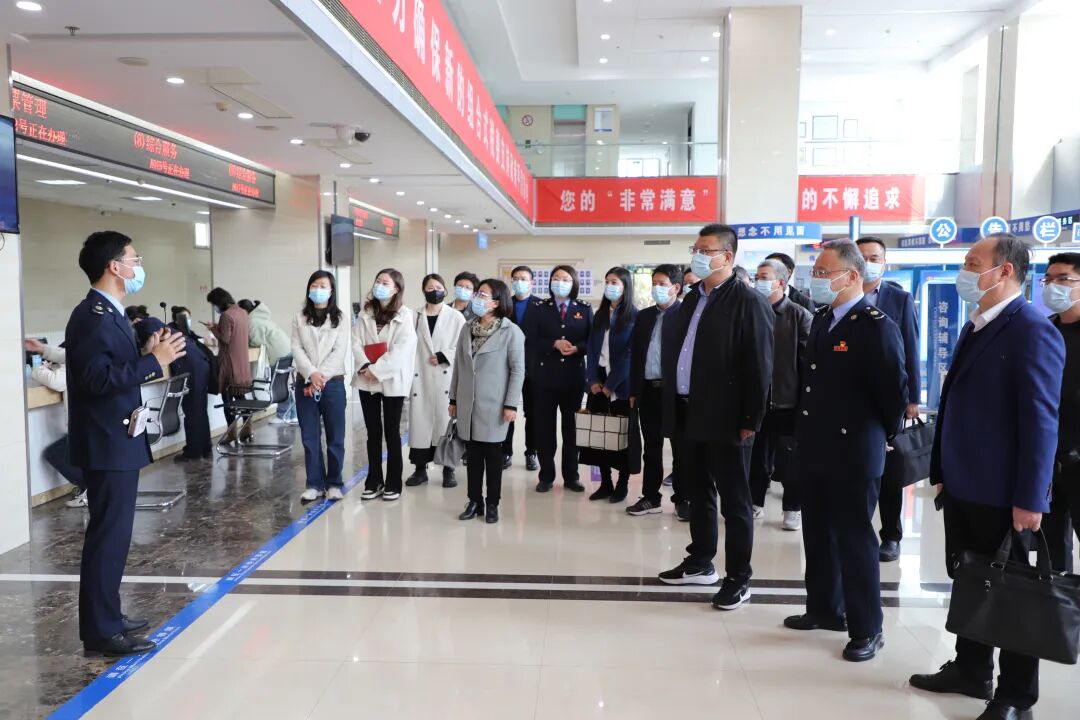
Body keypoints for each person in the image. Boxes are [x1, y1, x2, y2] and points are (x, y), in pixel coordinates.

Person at [909, 234, 1064, 720]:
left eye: (973, 263)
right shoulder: (979, 323)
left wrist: (1031, 497)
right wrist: (940, 470)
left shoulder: (1031, 329)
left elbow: (1041, 421)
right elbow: (955, 402)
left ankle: (1016, 697)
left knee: (1014, 593)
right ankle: (971, 668)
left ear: (1005, 271)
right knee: (972, 580)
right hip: (964, 483)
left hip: (1003, 491)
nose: (965, 271)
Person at [782, 240, 907, 664]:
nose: (816, 280)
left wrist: (881, 434)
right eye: (815, 272)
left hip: (854, 450)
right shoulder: (822, 318)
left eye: (823, 273)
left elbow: (894, 392)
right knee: (817, 534)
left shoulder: (874, 325)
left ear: (852, 276)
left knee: (855, 541)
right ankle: (823, 609)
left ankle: (867, 628)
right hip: (816, 446)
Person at [66, 230, 186, 657]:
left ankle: (110, 616)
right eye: (135, 260)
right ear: (114, 266)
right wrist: (154, 361)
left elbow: (115, 368)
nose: (139, 267)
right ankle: (101, 632)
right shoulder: (91, 316)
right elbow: (96, 380)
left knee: (115, 538)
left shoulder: (111, 313)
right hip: (105, 442)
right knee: (107, 537)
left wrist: (146, 354)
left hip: (119, 439)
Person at [658, 224, 774, 615]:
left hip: (728, 417)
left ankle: (739, 578)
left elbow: (760, 366)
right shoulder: (692, 298)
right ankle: (700, 560)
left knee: (735, 501)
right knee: (697, 490)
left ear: (727, 256)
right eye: (695, 248)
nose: (698, 255)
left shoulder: (748, 301)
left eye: (705, 250)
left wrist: (751, 418)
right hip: (688, 412)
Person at [856, 237, 922, 562]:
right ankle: (858, 531)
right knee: (858, 468)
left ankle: (891, 535)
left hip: (892, 396)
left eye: (874, 257)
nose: (868, 263)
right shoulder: (842, 296)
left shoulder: (899, 298)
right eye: (862, 257)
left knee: (890, 471)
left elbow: (911, 345)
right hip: (854, 397)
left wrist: (913, 397)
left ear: (885, 262)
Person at [449, 279, 526, 523]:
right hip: (467, 402)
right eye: (477, 294)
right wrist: (453, 398)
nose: (476, 298)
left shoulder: (511, 331)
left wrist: (511, 404)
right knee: (472, 457)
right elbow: (459, 366)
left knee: (493, 458)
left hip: (495, 404)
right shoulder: (467, 328)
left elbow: (518, 370)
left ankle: (493, 503)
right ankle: (474, 501)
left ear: (496, 302)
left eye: (482, 295)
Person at [750, 259, 812, 530]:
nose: (758, 282)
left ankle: (792, 508)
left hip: (788, 401)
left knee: (790, 460)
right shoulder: (751, 311)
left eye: (764, 277)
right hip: (757, 401)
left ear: (781, 282)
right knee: (757, 457)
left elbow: (808, 365)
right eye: (756, 277)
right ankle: (754, 502)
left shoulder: (799, 316)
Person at [627, 264, 686, 519]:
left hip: (675, 393)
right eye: (654, 283)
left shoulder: (685, 314)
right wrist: (634, 390)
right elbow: (636, 356)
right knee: (651, 448)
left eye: (662, 284)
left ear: (676, 287)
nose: (656, 288)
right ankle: (651, 497)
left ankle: (683, 498)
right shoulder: (644, 316)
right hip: (648, 391)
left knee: (680, 448)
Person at [354, 269, 418, 502]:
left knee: (392, 432)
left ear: (396, 289)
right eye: (378, 281)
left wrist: (377, 370)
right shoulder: (365, 313)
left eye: (385, 282)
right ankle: (374, 480)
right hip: (365, 378)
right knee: (372, 432)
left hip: (392, 379)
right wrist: (365, 366)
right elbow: (355, 341)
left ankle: (393, 482)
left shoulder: (405, 315)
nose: (379, 285)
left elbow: (402, 349)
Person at [529, 265, 593, 493]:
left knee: (572, 430)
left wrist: (578, 348)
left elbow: (592, 341)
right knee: (545, 429)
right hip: (544, 378)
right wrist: (553, 343)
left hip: (573, 378)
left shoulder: (584, 308)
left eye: (565, 279)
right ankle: (546, 475)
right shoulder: (539, 308)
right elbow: (530, 339)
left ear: (573, 283)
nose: (560, 282)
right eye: (556, 278)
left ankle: (571, 476)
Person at [290, 271, 350, 503]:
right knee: (309, 436)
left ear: (331, 290)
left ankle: (334, 483)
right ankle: (314, 484)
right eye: (314, 285)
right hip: (305, 381)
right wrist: (311, 373)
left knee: (336, 436)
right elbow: (296, 348)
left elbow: (339, 351)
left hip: (332, 383)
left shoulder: (341, 319)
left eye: (323, 286)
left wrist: (320, 376)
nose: (318, 289)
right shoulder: (299, 317)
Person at [582, 267, 639, 503]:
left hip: (622, 385)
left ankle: (621, 484)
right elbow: (591, 348)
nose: (609, 286)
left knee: (621, 436)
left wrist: (611, 384)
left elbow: (630, 354)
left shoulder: (634, 315)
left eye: (615, 282)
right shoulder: (600, 314)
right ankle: (604, 483)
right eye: (607, 281)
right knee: (599, 436)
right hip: (598, 382)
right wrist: (593, 380)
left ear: (626, 286)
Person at [406, 273, 466, 489]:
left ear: (445, 290)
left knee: (445, 425)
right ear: (423, 291)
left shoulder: (456, 317)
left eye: (438, 287)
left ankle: (449, 470)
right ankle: (420, 470)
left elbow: (463, 345)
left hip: (445, 377)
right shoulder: (413, 316)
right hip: (420, 377)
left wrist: (444, 355)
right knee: (420, 425)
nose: (435, 291)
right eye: (430, 288)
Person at [1042, 252, 1080, 572]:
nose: (1054, 285)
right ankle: (1056, 599)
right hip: (1048, 457)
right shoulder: (1045, 331)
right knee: (1050, 543)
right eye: (1049, 279)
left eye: (1063, 279)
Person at [24, 338, 87, 507]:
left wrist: (39, 368)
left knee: (54, 453)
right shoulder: (87, 357)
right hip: (88, 426)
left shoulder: (72, 365)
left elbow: (56, 382)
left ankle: (89, 488)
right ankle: (90, 487)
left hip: (84, 427)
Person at [503, 265, 543, 471]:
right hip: (507, 367)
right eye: (516, 278)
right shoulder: (505, 305)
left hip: (534, 367)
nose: (519, 282)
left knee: (533, 413)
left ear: (532, 282)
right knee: (507, 410)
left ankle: (531, 452)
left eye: (524, 278)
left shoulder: (541, 306)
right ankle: (505, 452)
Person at [162, 306, 212, 463]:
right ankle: (204, 448)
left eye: (188, 317)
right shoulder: (170, 331)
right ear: (176, 319)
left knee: (194, 412)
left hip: (194, 372)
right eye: (184, 318)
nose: (186, 320)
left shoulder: (179, 332)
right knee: (198, 411)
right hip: (199, 369)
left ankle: (195, 451)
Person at [205, 287, 252, 439]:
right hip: (242, 364)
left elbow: (225, 339)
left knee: (227, 401)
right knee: (241, 398)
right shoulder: (242, 312)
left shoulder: (226, 315)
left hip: (229, 364)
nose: (214, 307)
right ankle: (247, 430)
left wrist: (213, 329)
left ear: (219, 302)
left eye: (214, 304)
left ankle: (231, 433)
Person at [239, 298, 296, 425]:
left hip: (277, 353)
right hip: (286, 350)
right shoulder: (261, 316)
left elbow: (257, 341)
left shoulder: (252, 321)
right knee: (284, 384)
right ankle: (292, 415)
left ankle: (282, 415)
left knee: (278, 386)